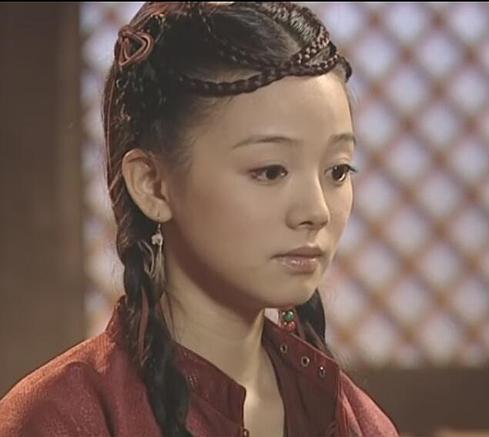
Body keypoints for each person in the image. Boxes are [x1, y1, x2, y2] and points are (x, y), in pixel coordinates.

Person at [0, 2, 398, 436]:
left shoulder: (356, 420)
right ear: (152, 185)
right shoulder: (61, 418)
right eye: (270, 171)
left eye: (337, 171)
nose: (316, 211)